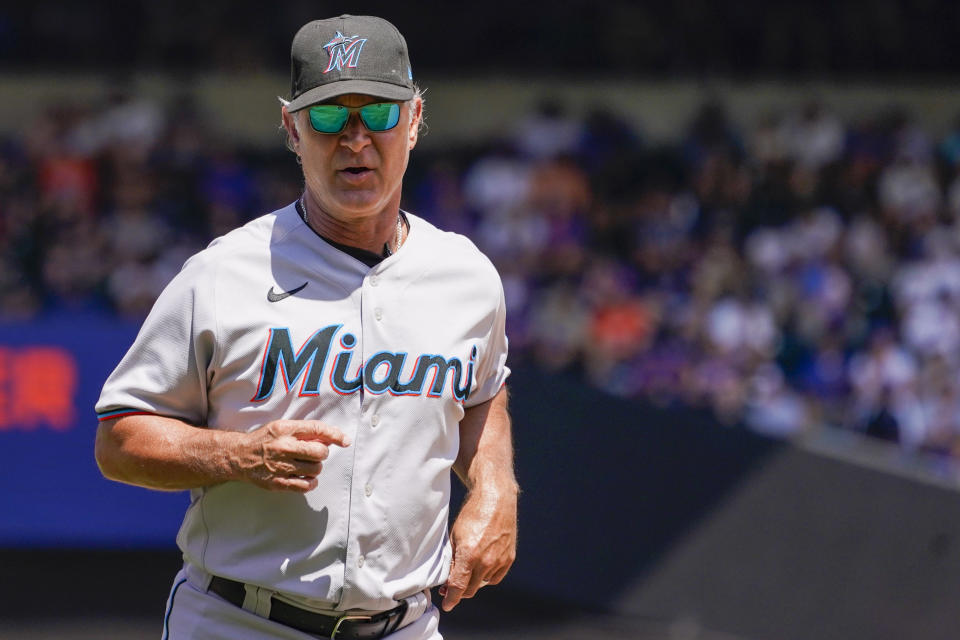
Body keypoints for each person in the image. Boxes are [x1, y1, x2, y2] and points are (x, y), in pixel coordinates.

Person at [94, 14, 518, 640]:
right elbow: (119, 440)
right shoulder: (221, 274)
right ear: (292, 128)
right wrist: (237, 454)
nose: (354, 140)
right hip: (239, 619)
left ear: (416, 120)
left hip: (405, 624)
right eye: (328, 117)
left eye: (377, 114)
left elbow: (482, 394)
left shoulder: (467, 277)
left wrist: (492, 490)